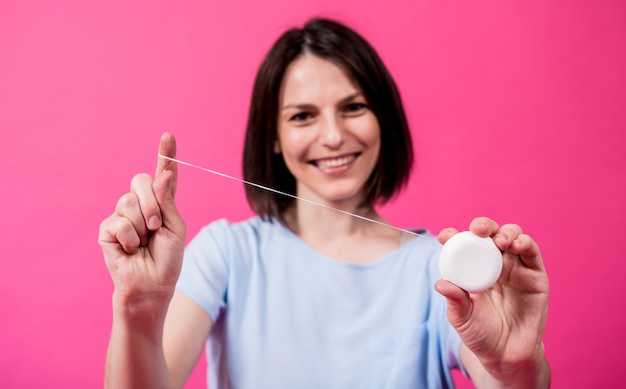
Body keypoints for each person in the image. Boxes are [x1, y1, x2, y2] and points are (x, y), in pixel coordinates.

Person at [98, 18, 550, 388]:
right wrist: (137, 309)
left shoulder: (439, 271)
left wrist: (517, 367)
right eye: (303, 116)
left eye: (353, 107)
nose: (333, 136)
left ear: (383, 119)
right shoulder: (227, 255)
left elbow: (507, 380)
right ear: (273, 137)